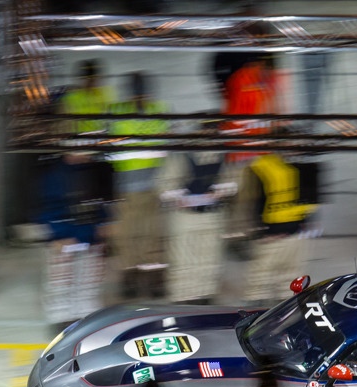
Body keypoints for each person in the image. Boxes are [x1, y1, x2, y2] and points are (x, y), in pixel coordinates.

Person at [107, 71, 170, 299]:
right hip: (127, 187)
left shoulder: (158, 109)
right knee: (127, 235)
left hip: (153, 185)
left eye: (142, 93)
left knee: (153, 235)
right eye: (137, 94)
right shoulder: (117, 113)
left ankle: (153, 279)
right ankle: (130, 278)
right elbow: (111, 151)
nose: (140, 98)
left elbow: (165, 145)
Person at [37, 151, 114, 335]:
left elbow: (104, 201)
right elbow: (47, 206)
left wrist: (103, 225)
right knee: (61, 284)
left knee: (88, 283)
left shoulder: (97, 170)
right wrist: (58, 233)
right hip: (64, 238)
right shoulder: (54, 174)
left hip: (90, 236)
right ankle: (60, 321)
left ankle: (85, 319)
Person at [159, 123, 235, 305]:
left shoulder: (223, 157)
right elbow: (163, 188)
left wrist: (220, 191)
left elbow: (233, 183)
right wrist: (181, 197)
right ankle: (182, 300)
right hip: (186, 216)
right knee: (184, 261)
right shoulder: (182, 156)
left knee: (209, 259)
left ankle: (204, 299)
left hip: (211, 215)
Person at [231, 150, 318, 306]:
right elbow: (248, 201)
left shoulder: (299, 166)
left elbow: (309, 198)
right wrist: (258, 231)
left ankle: (285, 312)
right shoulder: (259, 167)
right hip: (270, 235)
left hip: (294, 233)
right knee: (259, 281)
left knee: (290, 279)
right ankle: (254, 313)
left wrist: (305, 225)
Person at [58, 59, 114, 139]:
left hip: (100, 138)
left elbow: (111, 118)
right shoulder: (70, 97)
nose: (92, 82)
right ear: (81, 79)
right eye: (88, 79)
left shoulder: (105, 93)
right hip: (79, 140)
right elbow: (64, 125)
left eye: (94, 79)